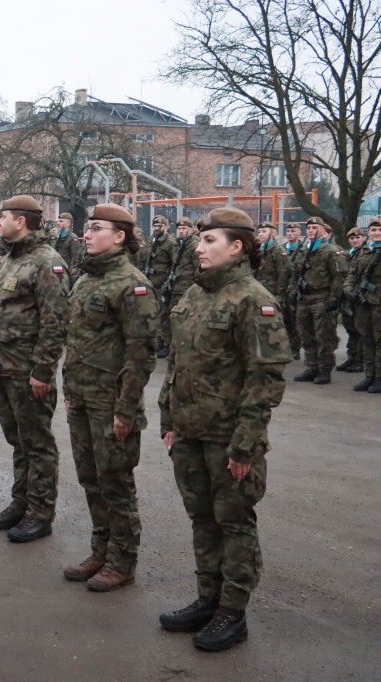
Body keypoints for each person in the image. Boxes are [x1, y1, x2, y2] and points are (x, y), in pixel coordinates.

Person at [158, 207, 290, 652]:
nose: (199, 247)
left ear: (237, 247)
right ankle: (208, 599)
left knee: (233, 523)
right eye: (200, 239)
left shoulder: (254, 300)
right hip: (189, 432)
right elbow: (177, 364)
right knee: (201, 518)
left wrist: (245, 445)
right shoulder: (196, 294)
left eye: (209, 240)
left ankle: (232, 612)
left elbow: (265, 381)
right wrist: (169, 420)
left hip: (228, 438)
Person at [62, 203, 158, 591]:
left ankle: (122, 561)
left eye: (96, 228)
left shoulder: (133, 285)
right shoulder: (86, 279)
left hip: (112, 403)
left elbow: (141, 354)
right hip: (82, 398)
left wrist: (126, 408)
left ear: (119, 236)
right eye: (87, 228)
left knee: (116, 483)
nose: (87, 234)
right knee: (91, 480)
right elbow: (75, 340)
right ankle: (100, 551)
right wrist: (69, 390)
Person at [0, 196, 69, 542]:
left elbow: (55, 323)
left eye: (2, 217)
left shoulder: (47, 262)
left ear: (20, 221)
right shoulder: (6, 261)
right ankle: (21, 503)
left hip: (27, 371)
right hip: (2, 368)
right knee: (18, 441)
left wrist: (43, 371)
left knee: (37, 444)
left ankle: (40, 513)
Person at [288, 216, 342, 384]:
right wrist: (291, 292)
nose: (311, 231)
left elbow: (338, 276)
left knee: (323, 335)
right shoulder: (303, 250)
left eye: (315, 228)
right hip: (303, 298)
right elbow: (294, 273)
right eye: (309, 228)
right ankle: (312, 367)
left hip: (321, 297)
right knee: (306, 335)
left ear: (323, 230)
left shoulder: (329, 250)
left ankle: (324, 369)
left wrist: (334, 298)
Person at [345, 217, 381, 392]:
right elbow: (352, 274)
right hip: (363, 302)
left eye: (380, 230)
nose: (377, 233)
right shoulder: (364, 251)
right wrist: (348, 289)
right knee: (366, 339)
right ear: (369, 233)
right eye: (373, 230)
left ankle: (379, 378)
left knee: (379, 340)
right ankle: (369, 375)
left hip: (378, 303)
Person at [145, 215, 179, 357]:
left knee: (163, 316)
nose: (156, 228)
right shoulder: (152, 240)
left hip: (162, 284)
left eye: (160, 226)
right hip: (151, 282)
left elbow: (174, 264)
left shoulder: (170, 242)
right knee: (153, 313)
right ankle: (156, 342)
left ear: (167, 227)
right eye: (155, 226)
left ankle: (166, 344)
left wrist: (168, 283)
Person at [162, 217, 199, 335]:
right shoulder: (177, 244)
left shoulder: (194, 246)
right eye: (179, 228)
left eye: (184, 228)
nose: (181, 231)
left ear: (191, 229)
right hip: (174, 288)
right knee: (169, 317)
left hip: (186, 289)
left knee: (182, 320)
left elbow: (198, 270)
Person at [336, 227, 365, 373]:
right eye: (352, 238)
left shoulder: (367, 254)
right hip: (346, 297)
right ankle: (351, 357)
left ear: (363, 238)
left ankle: (360, 360)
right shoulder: (345, 255)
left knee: (361, 330)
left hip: (361, 298)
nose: (355, 241)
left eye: (357, 238)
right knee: (350, 329)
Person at [282, 223, 305, 359]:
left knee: (294, 320)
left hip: (296, 290)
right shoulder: (282, 249)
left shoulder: (303, 250)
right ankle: (286, 346)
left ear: (299, 233)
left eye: (293, 231)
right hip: (282, 288)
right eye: (288, 231)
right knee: (284, 320)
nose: (290, 233)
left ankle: (295, 347)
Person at [51, 212, 85, 282]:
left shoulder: (72, 237)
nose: (58, 223)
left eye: (61, 221)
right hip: (56, 270)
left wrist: (71, 273)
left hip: (66, 273)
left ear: (68, 223)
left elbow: (76, 258)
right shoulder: (57, 236)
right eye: (58, 221)